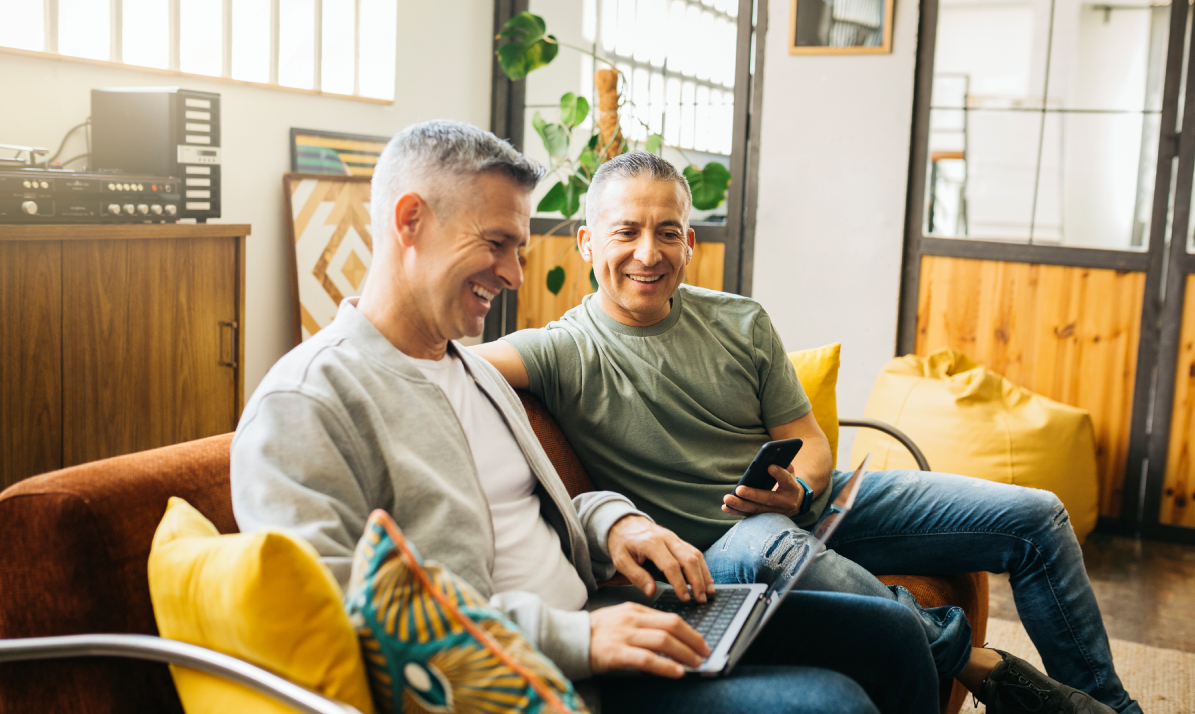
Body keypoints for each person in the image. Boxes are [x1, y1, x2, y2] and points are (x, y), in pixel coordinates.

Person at [231, 120, 940, 714]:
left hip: (606, 613)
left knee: (893, 636)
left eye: (519, 247)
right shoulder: (308, 405)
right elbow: (352, 614)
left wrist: (615, 521)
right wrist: (582, 642)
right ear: (411, 219)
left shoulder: (472, 371)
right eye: (498, 244)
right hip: (542, 672)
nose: (513, 275)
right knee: (829, 703)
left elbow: (542, 505)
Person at [472, 151, 1141, 714]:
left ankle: (1109, 707)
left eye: (667, 232)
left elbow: (809, 438)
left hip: (810, 503)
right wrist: (366, 313)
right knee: (770, 541)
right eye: (625, 233)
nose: (648, 253)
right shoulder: (560, 351)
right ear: (588, 243)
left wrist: (801, 489)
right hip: (728, 547)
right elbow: (446, 357)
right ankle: (973, 659)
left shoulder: (741, 321)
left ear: (690, 243)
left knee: (1036, 516)